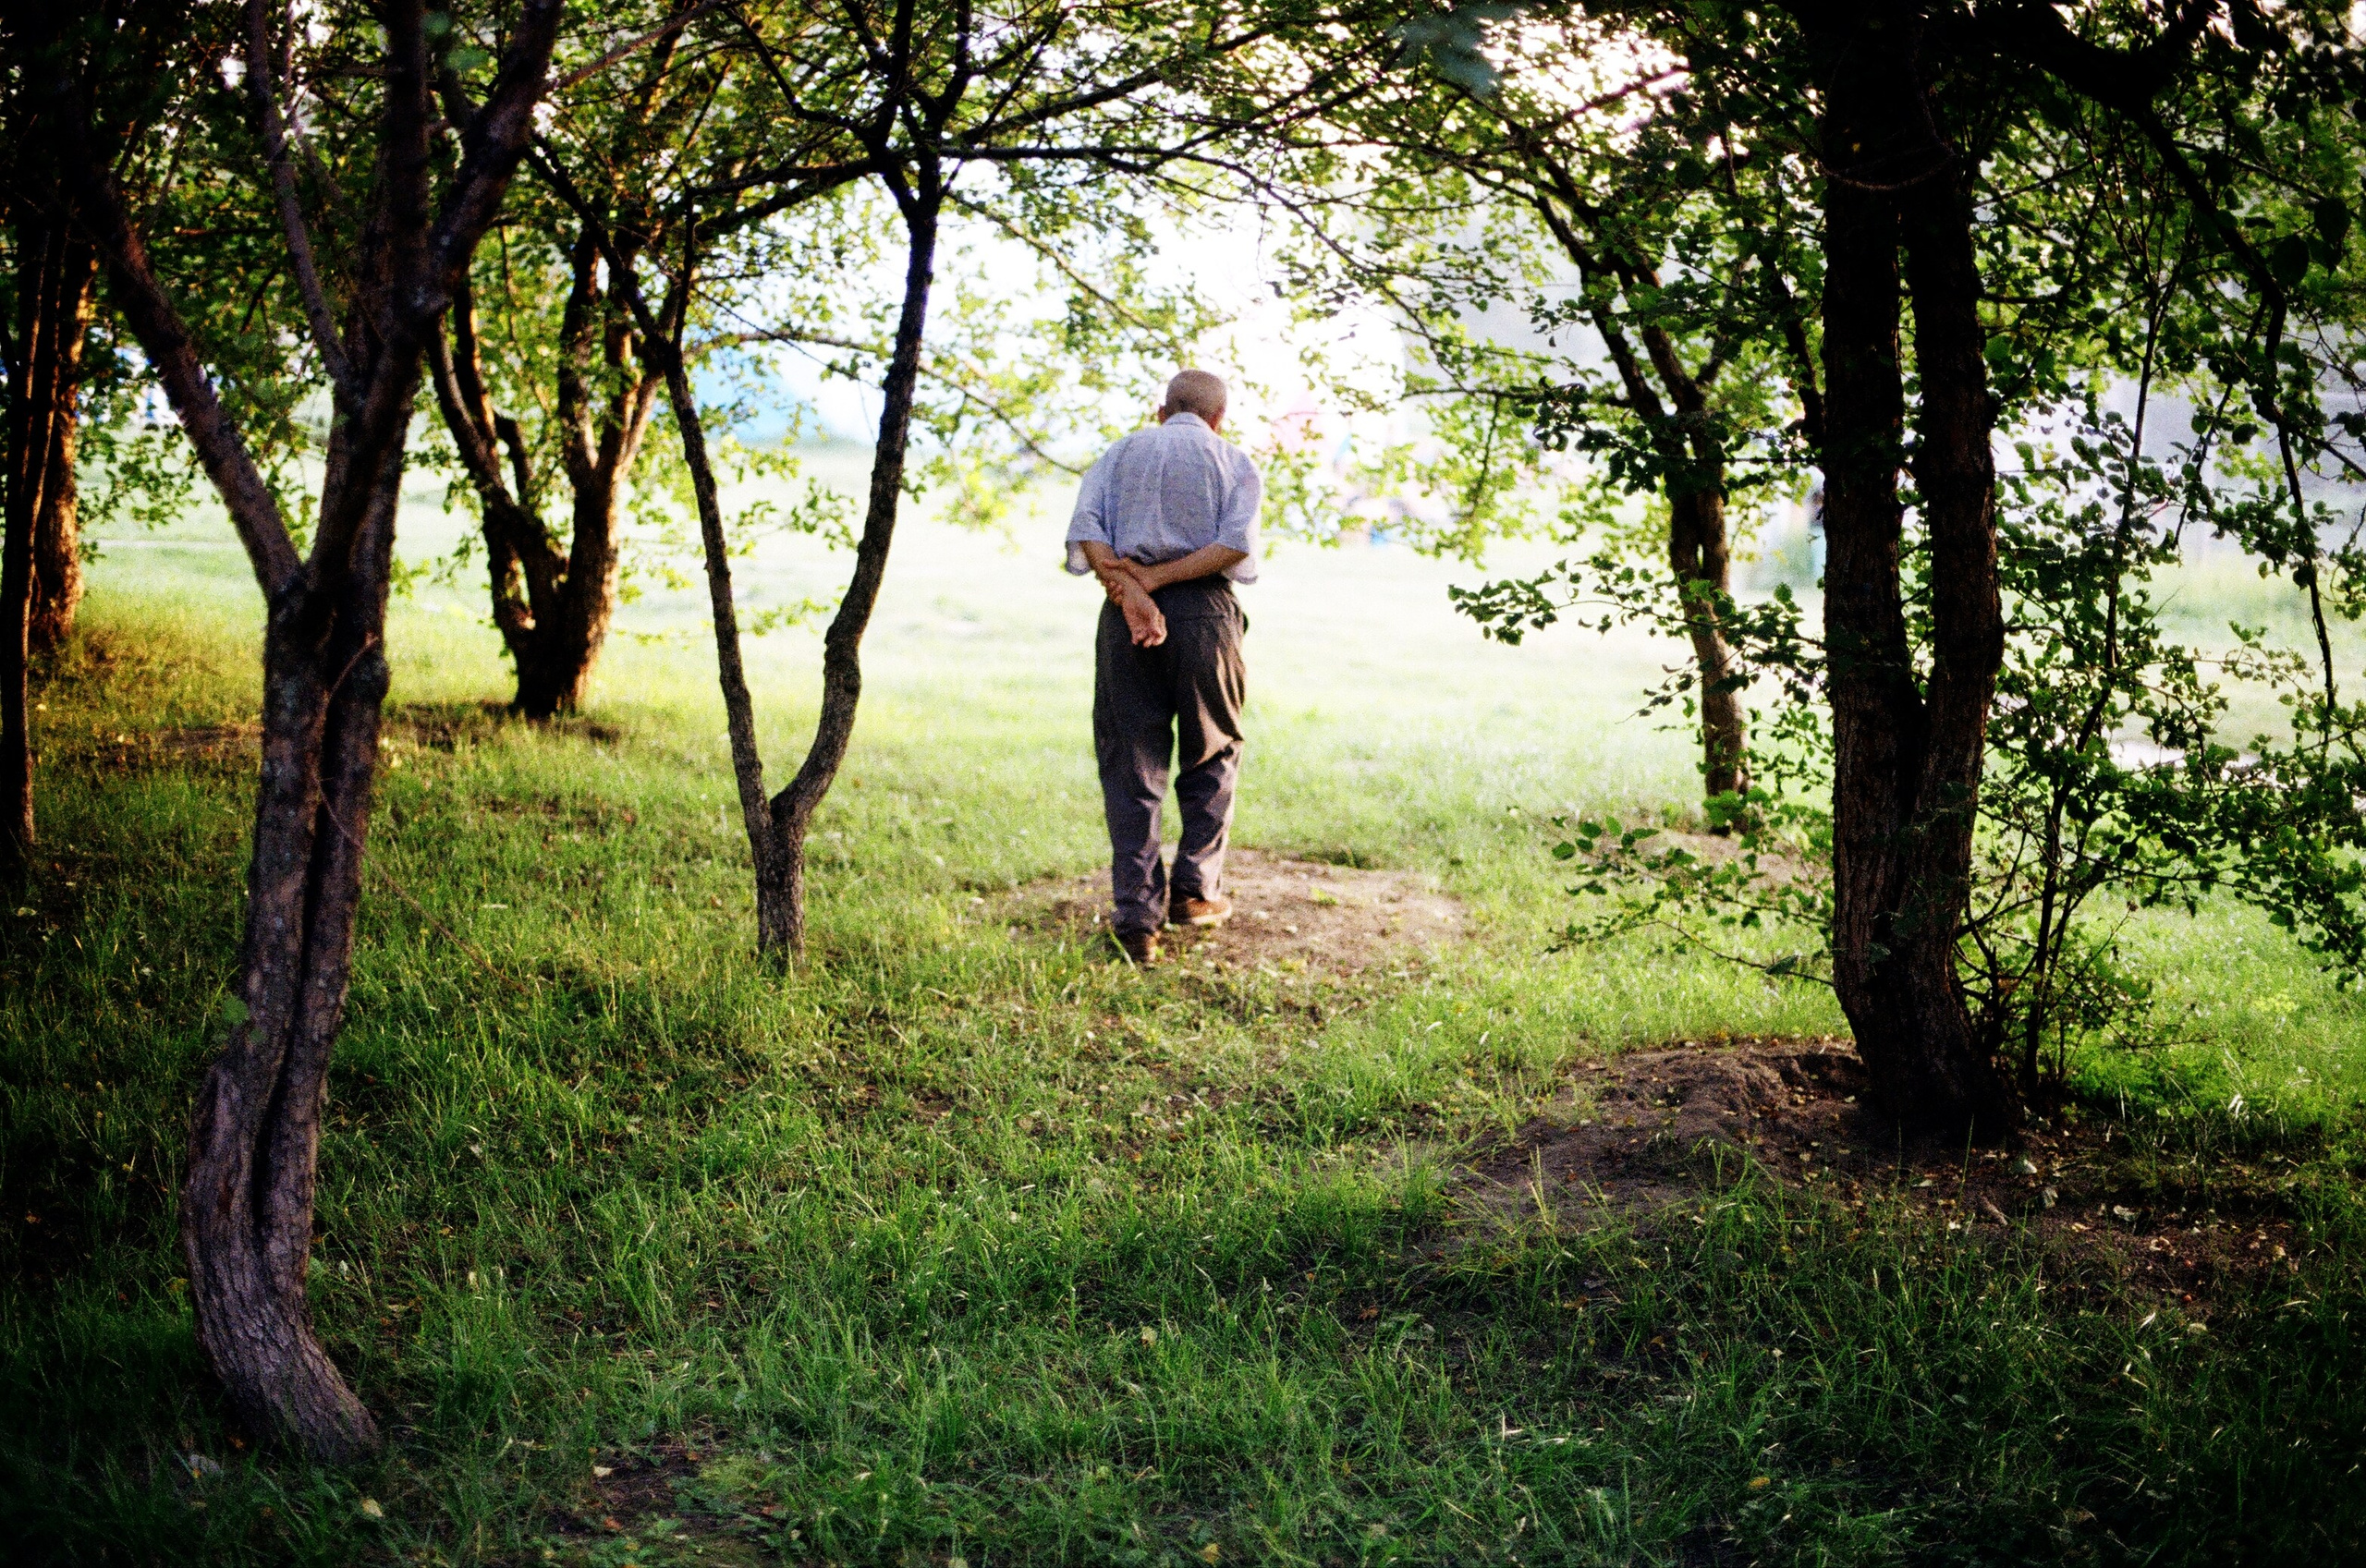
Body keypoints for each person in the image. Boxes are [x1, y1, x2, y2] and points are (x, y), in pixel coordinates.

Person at [1067, 369, 1261, 966]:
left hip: (1123, 616)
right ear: (1218, 419)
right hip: (1205, 615)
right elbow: (1235, 545)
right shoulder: (1234, 461)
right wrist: (1157, 580)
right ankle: (1195, 893)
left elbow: (1087, 533)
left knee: (1130, 761)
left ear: (1161, 411)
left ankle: (1136, 921)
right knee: (1212, 751)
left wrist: (1134, 589)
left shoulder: (1119, 454)